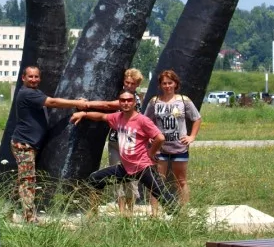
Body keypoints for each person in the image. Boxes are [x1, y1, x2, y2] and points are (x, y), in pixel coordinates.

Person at [71, 91, 176, 211]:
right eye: (123, 100)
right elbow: (101, 116)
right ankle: (93, 213)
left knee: (164, 197)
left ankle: (178, 215)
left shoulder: (142, 120)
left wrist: (151, 153)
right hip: (125, 168)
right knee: (95, 178)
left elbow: (160, 138)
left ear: (134, 102)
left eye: (129, 100)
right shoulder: (118, 117)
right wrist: (84, 114)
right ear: (119, 102)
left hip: (142, 167)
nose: (126, 103)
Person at [11, 65, 87, 223]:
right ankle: (29, 217)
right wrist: (77, 103)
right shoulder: (27, 93)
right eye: (30, 76)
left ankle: (8, 209)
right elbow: (52, 102)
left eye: (36, 76)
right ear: (23, 78)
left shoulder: (35, 92)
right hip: (24, 144)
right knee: (28, 180)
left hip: (31, 144)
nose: (34, 79)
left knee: (23, 178)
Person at [86, 68, 144, 215]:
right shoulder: (121, 95)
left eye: (132, 83)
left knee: (131, 178)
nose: (129, 85)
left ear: (137, 85)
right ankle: (122, 211)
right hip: (115, 142)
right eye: (127, 82)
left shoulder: (133, 100)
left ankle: (130, 211)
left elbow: (108, 106)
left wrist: (86, 105)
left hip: (130, 144)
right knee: (117, 176)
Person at [145, 69, 201, 207]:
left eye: (170, 83)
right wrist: (149, 136)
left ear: (175, 83)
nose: (167, 86)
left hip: (179, 147)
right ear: (160, 85)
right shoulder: (154, 102)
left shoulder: (184, 101)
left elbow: (196, 118)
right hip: (160, 148)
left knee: (181, 181)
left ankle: (184, 210)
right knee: (157, 181)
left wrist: (192, 136)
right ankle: (155, 212)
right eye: (164, 83)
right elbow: (146, 121)